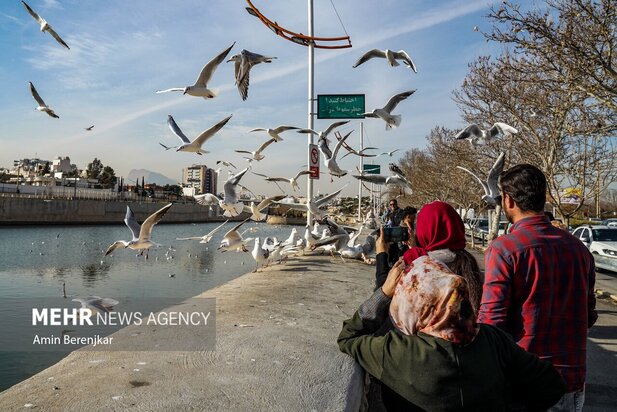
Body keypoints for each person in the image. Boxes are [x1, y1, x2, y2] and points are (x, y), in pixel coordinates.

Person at [338, 230, 566, 410]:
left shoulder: (397, 351)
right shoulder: (491, 339)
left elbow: (349, 336)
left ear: (412, 303)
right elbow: (552, 385)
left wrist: (384, 293)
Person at [479, 164, 597, 411]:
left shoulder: (504, 250)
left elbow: (491, 325)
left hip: (527, 383)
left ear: (508, 200)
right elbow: (588, 315)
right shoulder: (580, 250)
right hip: (572, 381)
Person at [368, 201, 490, 409]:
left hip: (419, 378)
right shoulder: (471, 266)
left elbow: (384, 290)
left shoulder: (416, 267)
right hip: (466, 376)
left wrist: (381, 253)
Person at [376, 206, 418, 273]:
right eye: (413, 216)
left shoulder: (413, 225)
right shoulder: (401, 229)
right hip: (402, 254)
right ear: (408, 216)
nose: (415, 218)